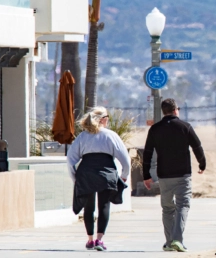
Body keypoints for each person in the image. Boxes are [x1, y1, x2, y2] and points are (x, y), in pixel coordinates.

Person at [143, 98, 206, 252]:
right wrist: (202, 163)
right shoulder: (185, 127)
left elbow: (147, 153)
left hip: (164, 176)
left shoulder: (155, 129)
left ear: (164, 111)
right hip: (183, 174)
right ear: (176, 110)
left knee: (167, 208)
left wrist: (146, 175)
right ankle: (177, 240)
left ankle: (169, 241)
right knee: (182, 205)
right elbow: (197, 147)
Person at [67, 107, 131, 251]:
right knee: (104, 206)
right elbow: (125, 159)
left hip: (86, 173)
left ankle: (90, 239)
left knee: (88, 207)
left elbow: (70, 160)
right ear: (102, 119)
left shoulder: (82, 137)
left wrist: (75, 178)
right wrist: (124, 176)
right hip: (106, 173)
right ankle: (99, 240)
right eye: (107, 117)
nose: (108, 120)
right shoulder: (111, 135)